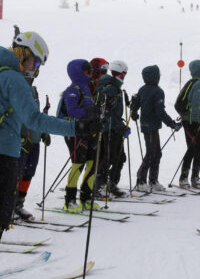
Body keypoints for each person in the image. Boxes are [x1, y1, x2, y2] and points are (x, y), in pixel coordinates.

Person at [0, 31, 100, 279]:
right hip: (3, 155)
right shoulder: (13, 79)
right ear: (25, 54)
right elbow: (34, 119)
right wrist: (77, 128)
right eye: (37, 61)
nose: (36, 68)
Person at [131, 65, 181, 192]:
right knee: (152, 153)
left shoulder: (142, 89)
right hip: (151, 126)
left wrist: (134, 112)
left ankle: (153, 180)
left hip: (146, 125)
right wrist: (172, 124)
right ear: (155, 76)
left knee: (155, 153)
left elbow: (135, 105)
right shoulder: (158, 91)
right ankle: (141, 181)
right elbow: (160, 112)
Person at [13, 51, 50, 221]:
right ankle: (9, 207)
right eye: (35, 65)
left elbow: (34, 116)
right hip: (21, 141)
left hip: (33, 140)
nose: (36, 70)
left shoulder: (33, 90)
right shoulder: (18, 87)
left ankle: (18, 204)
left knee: (28, 173)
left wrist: (42, 131)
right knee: (15, 175)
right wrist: (21, 137)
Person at [59, 59, 99, 212]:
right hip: (76, 132)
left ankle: (86, 198)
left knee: (91, 163)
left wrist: (96, 120)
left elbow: (90, 111)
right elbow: (72, 112)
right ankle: (69, 201)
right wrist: (90, 113)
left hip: (88, 131)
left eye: (90, 70)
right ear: (77, 72)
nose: (89, 73)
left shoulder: (87, 89)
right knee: (78, 164)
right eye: (86, 70)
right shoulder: (73, 89)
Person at [94, 60, 129, 198]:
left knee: (119, 157)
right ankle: (98, 185)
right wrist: (120, 126)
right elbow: (107, 113)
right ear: (122, 73)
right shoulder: (111, 88)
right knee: (109, 157)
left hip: (114, 128)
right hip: (109, 129)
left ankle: (111, 184)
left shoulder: (114, 86)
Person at [179, 60, 200, 189]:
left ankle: (188, 177)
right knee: (195, 149)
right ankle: (191, 178)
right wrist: (198, 125)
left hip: (189, 120)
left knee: (193, 148)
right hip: (193, 121)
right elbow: (196, 104)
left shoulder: (191, 82)